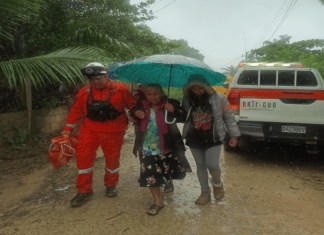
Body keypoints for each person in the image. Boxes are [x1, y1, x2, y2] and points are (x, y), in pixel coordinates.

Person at [61, 62, 136, 208]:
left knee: (112, 160)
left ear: (105, 75)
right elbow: (76, 110)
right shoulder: (85, 91)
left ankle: (111, 185)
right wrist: (67, 129)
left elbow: (133, 105)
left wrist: (137, 117)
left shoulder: (121, 89)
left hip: (114, 131)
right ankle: (84, 191)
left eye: (98, 78)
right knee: (83, 160)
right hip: (90, 130)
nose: (96, 82)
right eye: (92, 79)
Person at [181, 74, 240, 205]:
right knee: (201, 165)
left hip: (213, 137)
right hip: (194, 137)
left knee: (212, 165)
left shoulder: (220, 98)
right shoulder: (187, 100)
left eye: (200, 88)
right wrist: (172, 108)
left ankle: (217, 184)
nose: (197, 91)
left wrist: (234, 136)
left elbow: (229, 118)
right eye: (194, 89)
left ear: (206, 86)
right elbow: (183, 117)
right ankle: (205, 193)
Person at [130, 83, 186, 215]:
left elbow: (183, 117)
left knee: (165, 171)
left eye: (155, 94)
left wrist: (173, 110)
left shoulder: (170, 103)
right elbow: (131, 113)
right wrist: (134, 113)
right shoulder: (141, 104)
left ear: (161, 93)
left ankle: (168, 182)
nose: (152, 97)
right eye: (149, 94)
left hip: (166, 146)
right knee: (150, 175)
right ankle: (157, 202)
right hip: (146, 147)